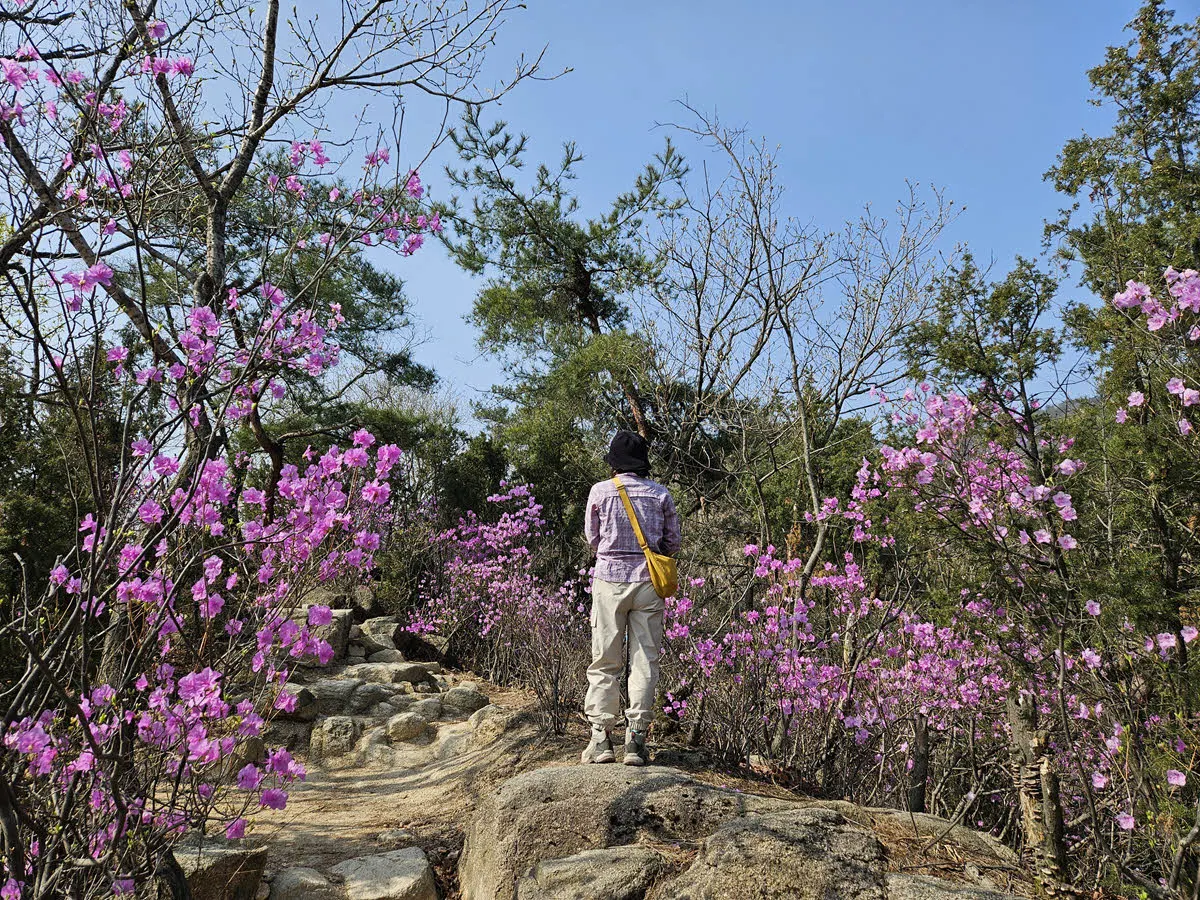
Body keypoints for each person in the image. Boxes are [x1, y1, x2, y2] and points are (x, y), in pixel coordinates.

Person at [581, 430, 681, 766]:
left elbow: (592, 538)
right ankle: (636, 741)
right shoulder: (661, 494)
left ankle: (601, 740)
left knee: (605, 660)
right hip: (648, 583)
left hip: (609, 580)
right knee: (644, 660)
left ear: (614, 462)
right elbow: (672, 543)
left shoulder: (600, 491)